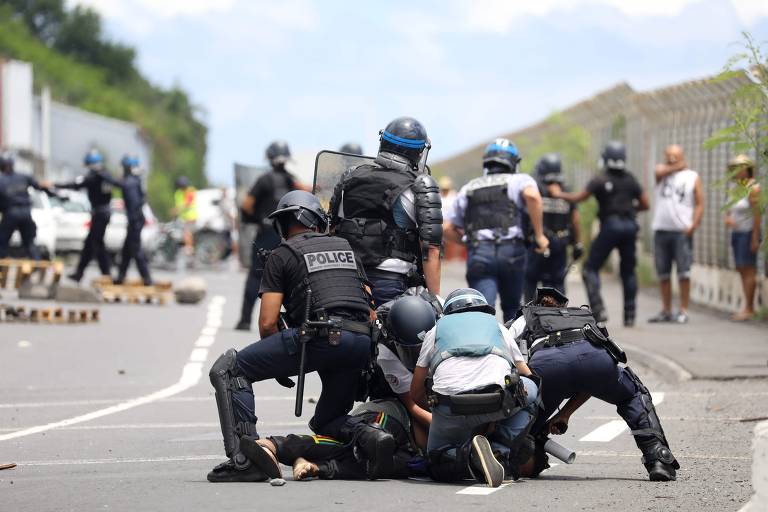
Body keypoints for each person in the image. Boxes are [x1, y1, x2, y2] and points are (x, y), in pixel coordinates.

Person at [208, 190, 392, 483]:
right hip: (360, 343)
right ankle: (371, 436)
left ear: (282, 225)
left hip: (318, 338)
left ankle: (246, 460)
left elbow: (268, 322)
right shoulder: (347, 248)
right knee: (327, 421)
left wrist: (280, 360)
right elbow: (370, 310)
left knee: (230, 369)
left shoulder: (282, 255)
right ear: (317, 221)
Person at [235, 293, 439, 482]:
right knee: (376, 438)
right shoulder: (386, 350)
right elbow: (413, 405)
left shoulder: (441, 324)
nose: (418, 355)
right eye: (412, 350)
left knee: (390, 462)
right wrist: (444, 423)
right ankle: (277, 445)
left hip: (427, 420)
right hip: (396, 410)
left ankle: (316, 465)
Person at [507, 287, 680, 481]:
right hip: (596, 362)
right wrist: (565, 414)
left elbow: (505, 361)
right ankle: (658, 457)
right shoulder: (580, 316)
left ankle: (512, 461)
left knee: (527, 425)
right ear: (563, 305)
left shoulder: (523, 320)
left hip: (548, 368)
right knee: (632, 394)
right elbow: (590, 377)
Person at [410, 288, 540, 487]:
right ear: (484, 309)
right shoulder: (499, 328)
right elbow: (527, 374)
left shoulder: (436, 330)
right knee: (532, 388)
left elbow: (416, 391)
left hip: (450, 407)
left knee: (437, 462)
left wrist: (437, 413)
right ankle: (498, 450)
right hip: (496, 402)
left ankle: (469, 456)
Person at [329, 116, 443, 307]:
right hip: (391, 281)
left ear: (383, 141)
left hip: (345, 276)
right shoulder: (419, 185)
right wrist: (435, 300)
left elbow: (331, 229)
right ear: (419, 152)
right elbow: (431, 248)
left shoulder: (350, 176)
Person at [549, 141, 650, 326]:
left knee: (590, 268)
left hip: (610, 226)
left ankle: (598, 310)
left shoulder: (600, 179)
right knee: (628, 272)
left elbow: (580, 198)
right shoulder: (630, 179)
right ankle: (630, 315)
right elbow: (646, 203)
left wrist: (559, 194)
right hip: (629, 226)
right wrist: (630, 209)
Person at [449, 139, 549, 321]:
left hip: (479, 252)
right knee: (513, 311)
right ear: (513, 162)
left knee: (482, 311)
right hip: (512, 252)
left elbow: (447, 227)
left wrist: (467, 241)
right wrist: (540, 235)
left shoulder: (469, 187)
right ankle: (513, 346)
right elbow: (532, 196)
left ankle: (485, 346)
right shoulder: (519, 180)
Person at [234, 141, 302, 331]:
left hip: (265, 233)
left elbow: (247, 204)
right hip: (286, 237)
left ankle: (245, 320)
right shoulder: (292, 181)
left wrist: (256, 218)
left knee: (256, 276)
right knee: (290, 278)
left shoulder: (264, 180)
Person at [648, 144, 704, 324]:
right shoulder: (661, 173)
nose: (672, 158)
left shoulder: (692, 176)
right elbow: (658, 170)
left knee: (683, 273)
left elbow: (700, 202)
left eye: (676, 155)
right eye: (669, 155)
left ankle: (683, 310)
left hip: (681, 231)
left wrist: (693, 225)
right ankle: (666, 310)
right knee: (663, 273)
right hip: (661, 230)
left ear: (682, 155)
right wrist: (678, 165)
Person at [523, 153, 582, 301]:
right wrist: (577, 243)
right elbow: (575, 219)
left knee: (530, 281)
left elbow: (525, 216)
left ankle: (530, 318)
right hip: (560, 245)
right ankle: (556, 318)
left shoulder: (534, 190)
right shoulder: (565, 191)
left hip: (537, 245)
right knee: (556, 285)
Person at [56, 149, 115, 282]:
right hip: (102, 213)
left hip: (100, 214)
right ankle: (81, 273)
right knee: (91, 243)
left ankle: (105, 274)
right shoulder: (106, 175)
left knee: (96, 244)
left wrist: (56, 185)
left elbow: (76, 184)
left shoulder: (95, 177)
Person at [724, 155, 762, 321]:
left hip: (747, 233)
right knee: (741, 267)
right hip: (737, 233)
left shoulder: (753, 188)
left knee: (748, 269)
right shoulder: (735, 188)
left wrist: (755, 237)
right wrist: (728, 218)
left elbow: (757, 214)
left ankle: (749, 307)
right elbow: (729, 209)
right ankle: (746, 304)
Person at [0, 152, 54, 260]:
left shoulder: (1, 180)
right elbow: (40, 187)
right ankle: (37, 265)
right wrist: (56, 194)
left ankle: (2, 267)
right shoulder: (24, 177)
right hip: (26, 213)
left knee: (2, 242)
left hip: (10, 214)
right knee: (29, 243)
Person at [112, 156, 152, 285]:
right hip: (135, 220)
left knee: (135, 249)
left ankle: (147, 278)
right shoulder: (135, 180)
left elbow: (134, 203)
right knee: (126, 250)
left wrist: (106, 177)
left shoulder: (130, 182)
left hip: (135, 220)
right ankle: (121, 276)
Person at [172, 175, 197, 263]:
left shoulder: (190, 190)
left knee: (187, 233)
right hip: (182, 218)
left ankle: (189, 251)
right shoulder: (178, 193)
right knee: (180, 234)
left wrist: (178, 209)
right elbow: (177, 205)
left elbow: (188, 202)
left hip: (190, 217)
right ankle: (185, 249)